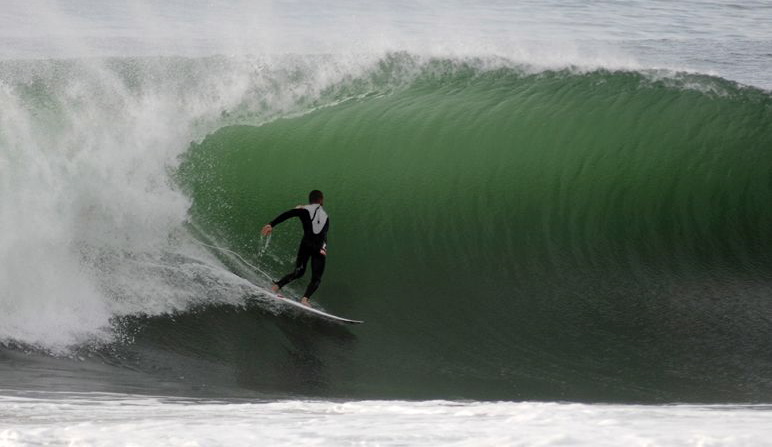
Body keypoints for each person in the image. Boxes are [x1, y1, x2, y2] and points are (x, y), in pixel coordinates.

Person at [261, 190, 329, 306]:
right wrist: (324, 247)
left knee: (298, 272)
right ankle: (305, 299)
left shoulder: (303, 210)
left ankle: (275, 287)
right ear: (321, 200)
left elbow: (287, 214)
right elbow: (324, 234)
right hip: (318, 248)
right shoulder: (325, 216)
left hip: (306, 245)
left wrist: (271, 224)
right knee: (316, 278)